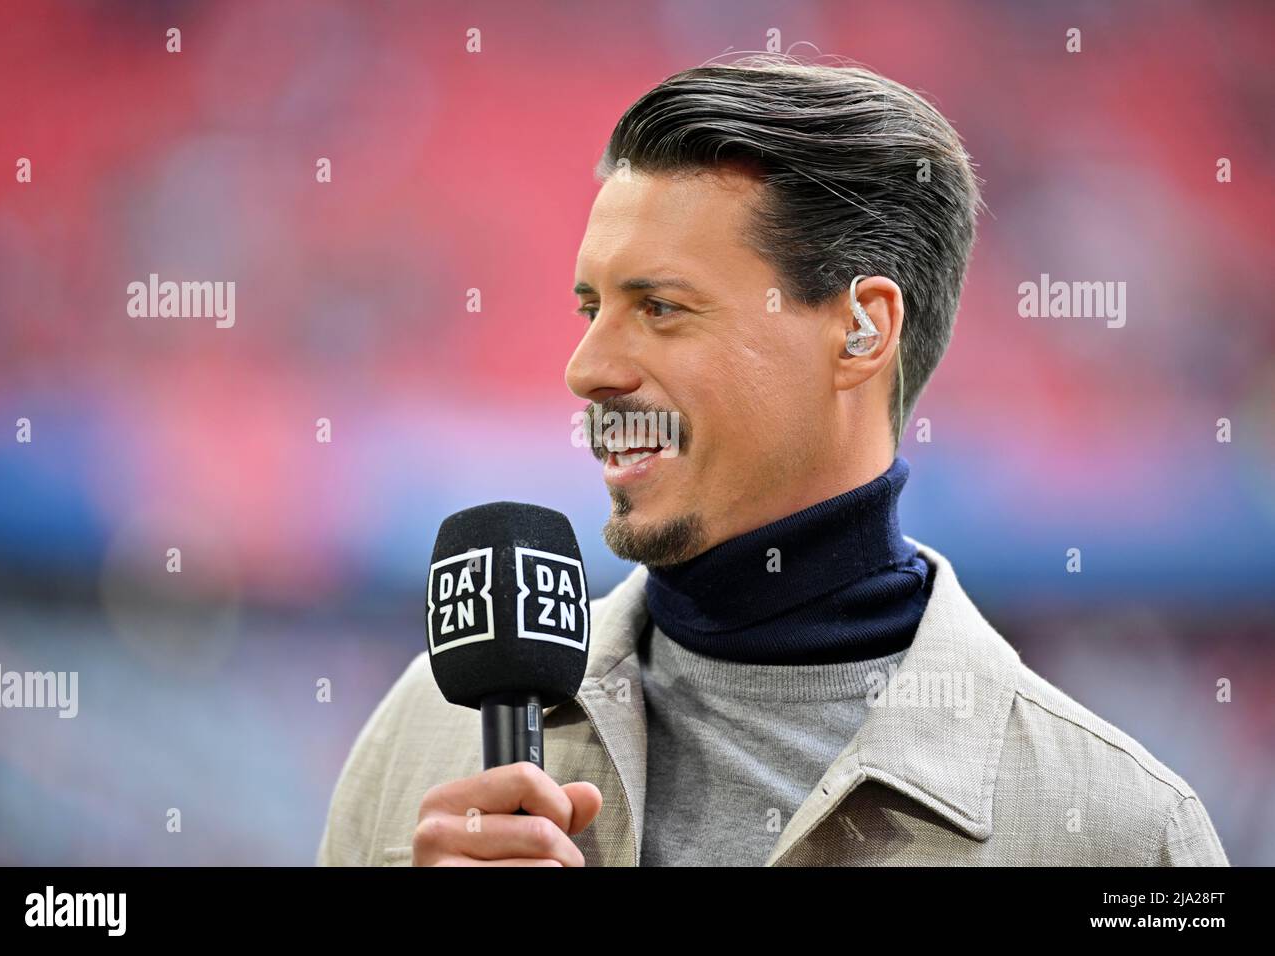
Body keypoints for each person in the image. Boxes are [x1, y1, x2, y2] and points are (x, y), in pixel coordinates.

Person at [318, 55, 1228, 866]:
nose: (587, 368)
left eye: (662, 307)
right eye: (590, 306)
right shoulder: (429, 733)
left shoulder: (1123, 833)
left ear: (862, 330)